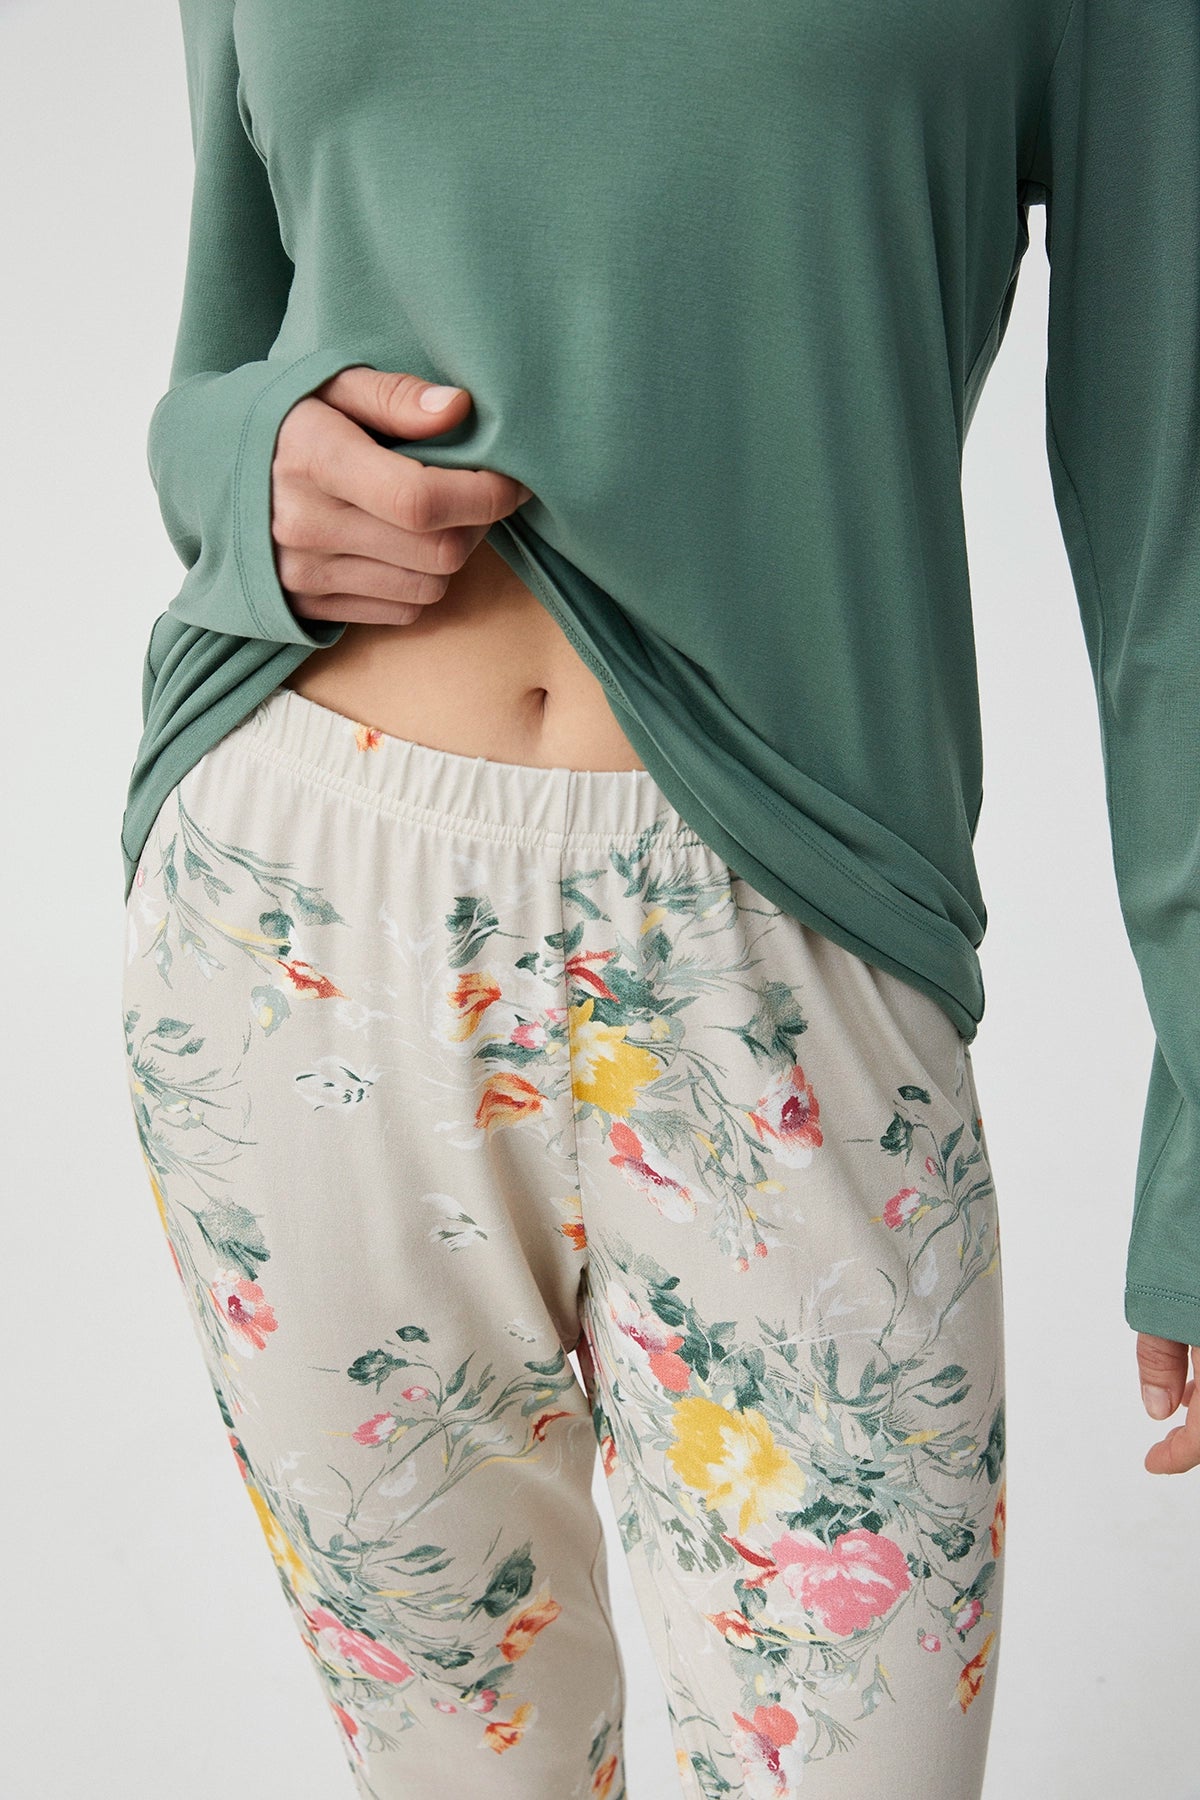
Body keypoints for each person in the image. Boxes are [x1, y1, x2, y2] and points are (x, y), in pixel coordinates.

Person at [119, 1, 1200, 1795]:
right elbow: (223, 364)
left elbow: (1178, 527)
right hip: (294, 918)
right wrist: (251, 473)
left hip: (798, 929)